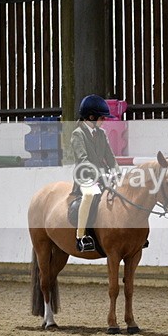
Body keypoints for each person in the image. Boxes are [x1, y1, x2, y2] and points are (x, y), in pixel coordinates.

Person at [71, 94, 120, 253]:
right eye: (102, 118)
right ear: (91, 117)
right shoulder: (78, 134)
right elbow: (83, 159)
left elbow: (110, 158)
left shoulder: (102, 134)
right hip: (85, 175)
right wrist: (99, 175)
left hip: (103, 176)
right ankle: (80, 236)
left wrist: (116, 172)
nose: (104, 120)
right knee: (89, 195)